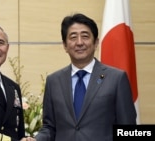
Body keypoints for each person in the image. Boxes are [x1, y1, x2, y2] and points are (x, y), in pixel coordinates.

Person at [34, 13, 137, 141]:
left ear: (96, 43)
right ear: (65, 45)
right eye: (73, 37)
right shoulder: (53, 81)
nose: (79, 42)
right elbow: (49, 127)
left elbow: (127, 128)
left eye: (85, 36)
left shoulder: (116, 78)